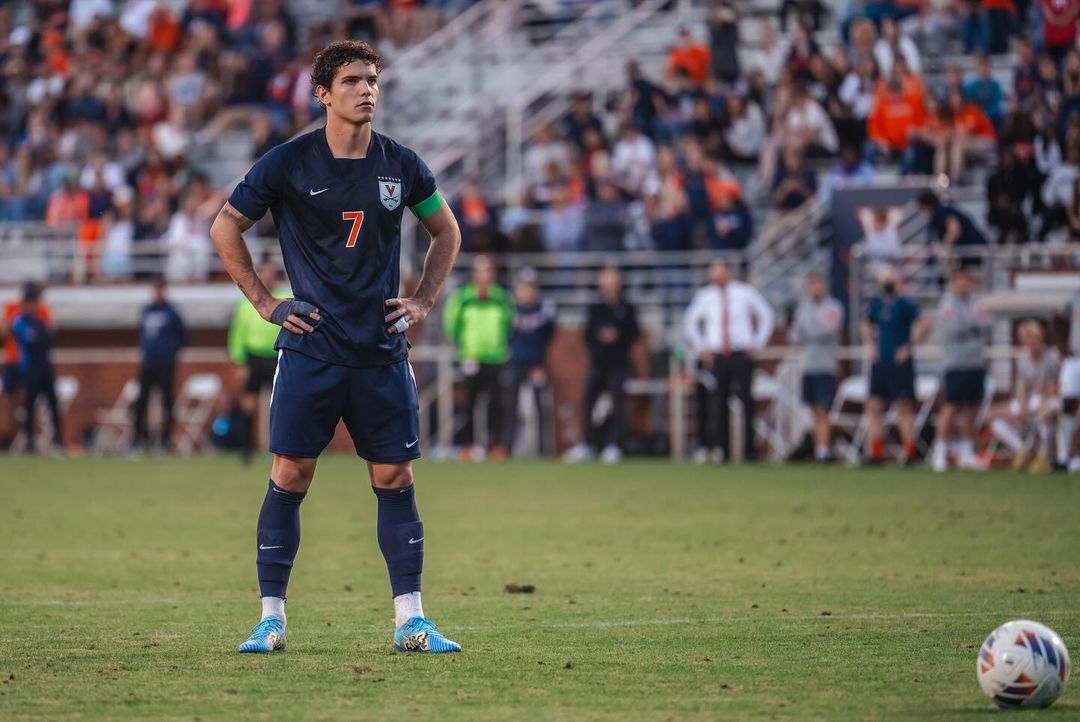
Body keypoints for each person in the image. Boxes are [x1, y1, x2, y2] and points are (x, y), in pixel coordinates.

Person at [208, 41, 462, 655]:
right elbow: (224, 226)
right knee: (290, 474)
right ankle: (271, 619)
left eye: (373, 80)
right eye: (352, 81)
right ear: (323, 94)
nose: (367, 89)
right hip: (312, 350)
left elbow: (445, 230)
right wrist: (268, 304)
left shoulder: (401, 164)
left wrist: (424, 300)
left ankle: (412, 621)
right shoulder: (289, 161)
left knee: (394, 474)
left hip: (379, 351)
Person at [684, 259, 775, 463]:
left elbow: (766, 314)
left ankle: (749, 451)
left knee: (746, 402)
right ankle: (722, 450)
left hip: (741, 353)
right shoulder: (705, 296)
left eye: (719, 269)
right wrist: (702, 347)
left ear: (727, 271)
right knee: (719, 402)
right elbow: (690, 322)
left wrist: (757, 342)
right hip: (717, 355)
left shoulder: (744, 292)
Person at [564, 266, 641, 464]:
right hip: (598, 364)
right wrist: (601, 339)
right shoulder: (595, 308)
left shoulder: (627, 308)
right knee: (588, 402)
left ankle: (613, 445)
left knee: (618, 404)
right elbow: (587, 334)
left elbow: (635, 334)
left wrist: (617, 336)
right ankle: (588, 444)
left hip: (619, 364)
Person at [442, 255, 514, 461]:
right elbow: (451, 325)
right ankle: (467, 446)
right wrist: (465, 347)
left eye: (487, 271)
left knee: (495, 405)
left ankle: (495, 446)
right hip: (470, 358)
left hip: (495, 357)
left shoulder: (502, 297)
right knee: (467, 405)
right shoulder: (463, 298)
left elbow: (510, 324)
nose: (484, 276)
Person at [924, 268, 993, 472]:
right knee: (951, 406)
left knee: (972, 407)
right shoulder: (947, 304)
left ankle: (966, 451)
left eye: (966, 282)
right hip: (955, 363)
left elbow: (987, 323)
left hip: (975, 362)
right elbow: (955, 327)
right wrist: (974, 324)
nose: (964, 286)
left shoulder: (975, 303)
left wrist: (973, 324)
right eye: (960, 282)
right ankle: (940, 451)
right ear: (952, 283)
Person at [228, 261, 288, 464]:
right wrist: (239, 361)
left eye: (271, 274)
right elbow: (237, 334)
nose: (268, 277)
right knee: (249, 405)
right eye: (265, 274)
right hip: (254, 357)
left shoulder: (284, 297)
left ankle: (282, 450)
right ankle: (246, 448)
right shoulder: (247, 303)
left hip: (276, 356)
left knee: (282, 404)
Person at [861, 270, 921, 465]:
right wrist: (871, 345)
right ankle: (876, 451)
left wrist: (909, 347)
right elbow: (865, 324)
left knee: (903, 405)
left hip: (899, 364)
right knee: (874, 405)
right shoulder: (877, 304)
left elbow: (925, 323)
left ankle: (909, 451)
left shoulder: (905, 304)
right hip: (881, 363)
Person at [988, 320, 1062, 473]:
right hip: (1031, 400)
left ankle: (1044, 454)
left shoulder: (1052, 357)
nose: (1032, 342)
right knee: (994, 418)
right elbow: (1023, 388)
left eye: (1035, 337)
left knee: (1044, 414)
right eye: (1028, 338)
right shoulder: (1023, 359)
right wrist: (1022, 407)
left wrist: (1037, 405)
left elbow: (1052, 389)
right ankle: (1022, 450)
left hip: (1051, 399)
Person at [790, 272, 844, 462]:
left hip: (825, 364)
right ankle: (818, 447)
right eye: (812, 284)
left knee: (823, 408)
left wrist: (808, 331)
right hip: (808, 365)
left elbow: (826, 332)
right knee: (813, 409)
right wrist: (810, 331)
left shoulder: (833, 307)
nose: (815, 288)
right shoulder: (803, 308)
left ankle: (823, 450)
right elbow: (795, 335)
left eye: (818, 283)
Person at [132, 277, 187, 452]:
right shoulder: (146, 310)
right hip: (148, 362)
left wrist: (170, 352)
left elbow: (183, 337)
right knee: (142, 400)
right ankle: (139, 439)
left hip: (166, 363)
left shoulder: (171, 312)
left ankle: (165, 440)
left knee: (166, 401)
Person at [506, 267, 557, 457]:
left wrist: (541, 361)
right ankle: (508, 448)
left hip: (537, 364)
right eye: (524, 287)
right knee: (510, 406)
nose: (527, 291)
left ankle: (545, 450)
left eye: (530, 287)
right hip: (516, 361)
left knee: (542, 408)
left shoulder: (544, 308)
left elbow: (549, 335)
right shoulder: (510, 308)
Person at [9, 283, 63, 453]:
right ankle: (30, 443)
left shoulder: (40, 319)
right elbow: (33, 340)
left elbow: (49, 340)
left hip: (45, 368)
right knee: (29, 406)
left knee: (53, 405)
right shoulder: (20, 321)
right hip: (30, 369)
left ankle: (58, 442)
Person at [1, 282, 54, 449]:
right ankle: (5, 436)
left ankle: (32, 438)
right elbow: (4, 332)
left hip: (32, 365)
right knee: (7, 398)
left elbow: (48, 333)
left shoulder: (42, 310)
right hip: (13, 361)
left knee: (30, 400)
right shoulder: (13, 310)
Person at [1060, 289, 1080, 472]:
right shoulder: (1075, 298)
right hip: (1075, 359)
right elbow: (1060, 319)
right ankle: (1065, 456)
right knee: (1067, 407)